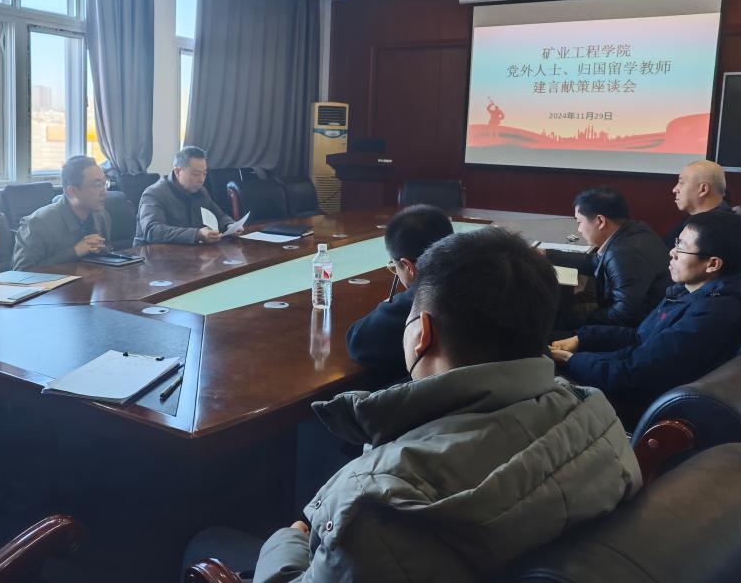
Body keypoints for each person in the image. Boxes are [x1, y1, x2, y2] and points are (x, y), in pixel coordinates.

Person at [188, 228, 640, 582]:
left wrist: (289, 541)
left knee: (206, 541)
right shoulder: (598, 415)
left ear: (422, 333)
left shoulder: (379, 501)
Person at [551, 210, 741, 407]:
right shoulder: (697, 289)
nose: (672, 252)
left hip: (632, 402)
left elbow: (632, 375)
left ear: (713, 264)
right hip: (627, 371)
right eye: (676, 242)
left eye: (682, 247)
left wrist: (571, 360)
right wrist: (581, 340)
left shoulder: (712, 315)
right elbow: (640, 338)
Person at [345, 204, 452, 377]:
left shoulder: (423, 298)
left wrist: (387, 307)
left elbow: (358, 340)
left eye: (394, 266)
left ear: (408, 266)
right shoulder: (483, 273)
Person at [545, 186, 670, 329]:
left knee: (557, 318)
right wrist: (548, 254)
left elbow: (623, 316)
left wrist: (577, 318)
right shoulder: (636, 229)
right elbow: (593, 262)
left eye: (579, 222)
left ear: (600, 221)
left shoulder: (623, 254)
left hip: (638, 329)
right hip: (649, 317)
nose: (578, 230)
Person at [12, 155, 113, 270]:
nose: (104, 192)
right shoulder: (37, 224)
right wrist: (74, 252)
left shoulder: (101, 216)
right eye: (97, 185)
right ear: (72, 191)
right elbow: (21, 272)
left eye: (105, 183)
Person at [134, 146, 237, 246]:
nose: (201, 180)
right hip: (150, 254)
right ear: (178, 171)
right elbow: (153, 231)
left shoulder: (202, 191)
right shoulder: (154, 193)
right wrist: (197, 234)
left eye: (204, 174)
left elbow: (219, 215)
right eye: (196, 174)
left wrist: (230, 225)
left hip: (188, 252)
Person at [663, 159, 734, 246]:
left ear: (703, 189)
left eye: (681, 183)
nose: (674, 189)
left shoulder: (718, 232)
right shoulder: (696, 221)